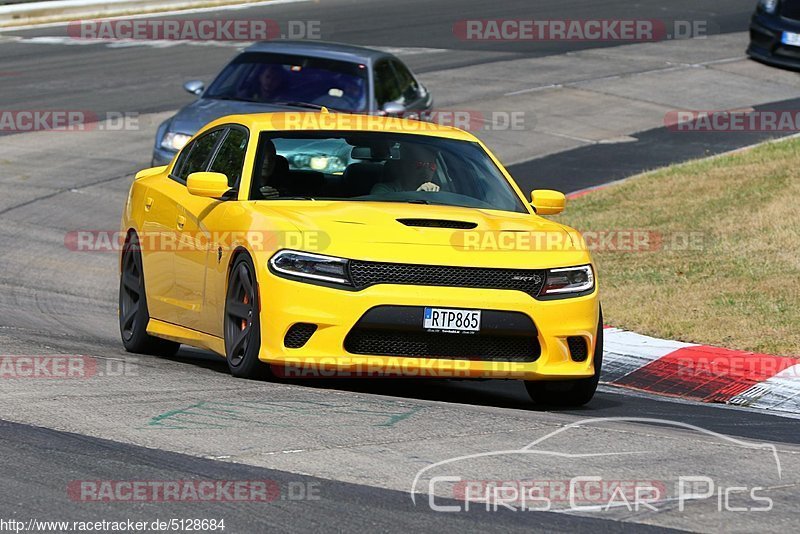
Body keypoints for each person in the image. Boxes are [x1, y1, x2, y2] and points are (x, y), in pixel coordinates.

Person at [371, 144, 440, 194]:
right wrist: (417, 196)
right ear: (404, 166)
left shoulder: (443, 194)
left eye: (431, 166)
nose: (426, 171)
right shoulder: (383, 190)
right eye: (419, 164)